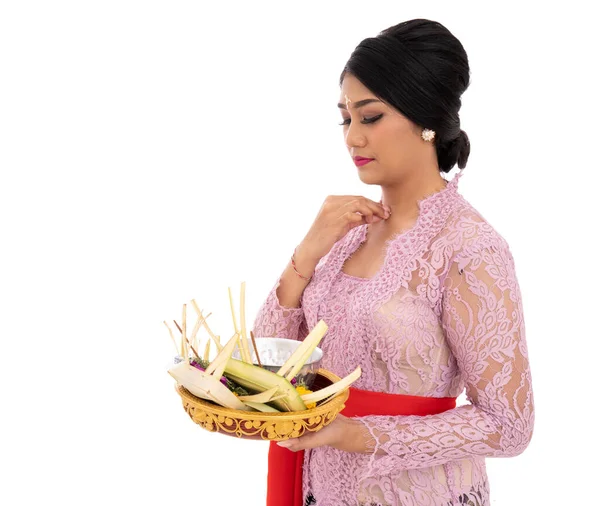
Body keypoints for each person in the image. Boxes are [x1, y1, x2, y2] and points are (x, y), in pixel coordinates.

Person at [252, 18, 534, 506]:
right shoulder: (344, 233)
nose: (352, 138)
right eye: (346, 118)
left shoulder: (469, 247)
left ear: (425, 119)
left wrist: (354, 434)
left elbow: (509, 426)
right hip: (318, 488)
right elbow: (264, 363)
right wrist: (305, 254)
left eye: (370, 116)